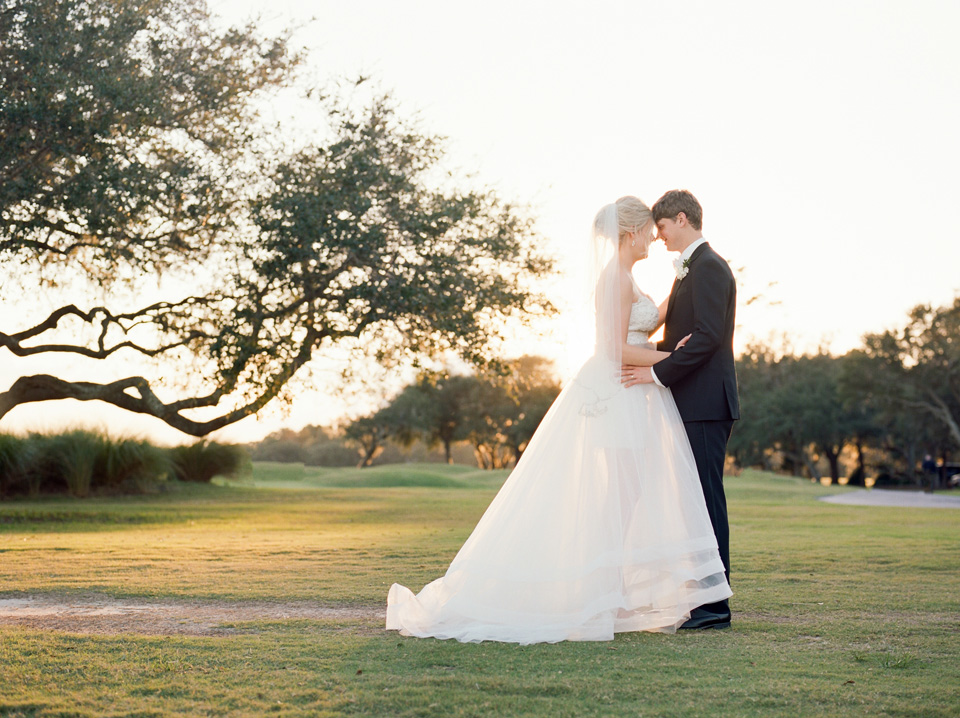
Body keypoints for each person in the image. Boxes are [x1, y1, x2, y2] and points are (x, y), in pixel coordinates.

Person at [386, 196, 731, 644]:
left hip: (633, 396)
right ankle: (603, 592)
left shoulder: (629, 277)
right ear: (631, 232)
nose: (654, 236)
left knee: (627, 497)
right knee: (618, 499)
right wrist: (671, 354)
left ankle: (614, 590)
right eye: (649, 229)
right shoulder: (616, 279)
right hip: (619, 395)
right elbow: (611, 347)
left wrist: (671, 314)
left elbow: (646, 319)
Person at [621, 189, 739, 630]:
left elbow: (707, 339)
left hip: (706, 403)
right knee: (696, 503)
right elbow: (681, 340)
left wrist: (655, 373)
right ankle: (703, 599)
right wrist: (654, 356)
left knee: (707, 502)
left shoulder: (708, 267)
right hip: (691, 402)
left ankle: (714, 607)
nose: (660, 237)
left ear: (682, 219)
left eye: (664, 228)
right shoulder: (691, 270)